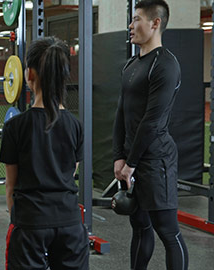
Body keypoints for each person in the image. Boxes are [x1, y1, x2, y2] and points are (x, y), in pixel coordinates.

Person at [0, 36, 89, 270]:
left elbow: (11, 185)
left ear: (29, 74)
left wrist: (17, 219)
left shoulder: (15, 126)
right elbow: (70, 173)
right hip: (70, 223)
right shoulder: (75, 125)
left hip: (30, 225)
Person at [113, 0, 189, 269]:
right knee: (140, 227)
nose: (131, 26)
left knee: (167, 231)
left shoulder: (165, 65)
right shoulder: (130, 65)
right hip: (132, 161)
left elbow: (152, 121)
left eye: (136, 20)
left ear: (155, 23)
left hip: (156, 161)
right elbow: (121, 113)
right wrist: (118, 158)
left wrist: (131, 163)